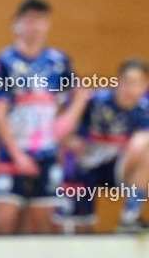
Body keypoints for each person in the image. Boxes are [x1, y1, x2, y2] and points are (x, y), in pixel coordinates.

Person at [0, 0, 88, 234]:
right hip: (12, 153)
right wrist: (17, 155)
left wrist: (68, 120)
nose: (35, 26)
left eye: (41, 20)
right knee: (4, 221)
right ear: (19, 23)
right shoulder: (5, 61)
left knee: (41, 224)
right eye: (30, 20)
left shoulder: (58, 61)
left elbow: (81, 93)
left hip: (47, 153)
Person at [56, 59, 149, 233]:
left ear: (145, 86)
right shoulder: (95, 100)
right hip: (84, 165)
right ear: (118, 81)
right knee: (78, 228)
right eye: (127, 82)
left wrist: (142, 140)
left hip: (117, 168)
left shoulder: (145, 110)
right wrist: (69, 139)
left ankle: (129, 217)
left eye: (137, 83)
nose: (131, 89)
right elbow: (61, 125)